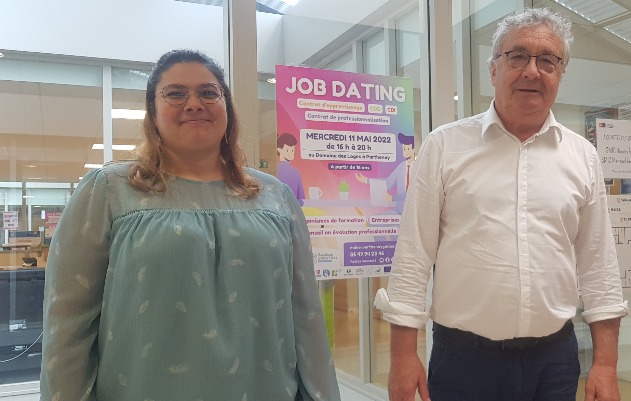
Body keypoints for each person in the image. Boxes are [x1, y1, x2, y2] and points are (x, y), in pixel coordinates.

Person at [40, 49, 340, 401]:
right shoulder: (108, 191)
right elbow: (68, 323)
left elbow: (305, 315)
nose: (194, 104)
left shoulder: (276, 196)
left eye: (209, 93)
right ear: (152, 111)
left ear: (227, 107)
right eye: (176, 93)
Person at [374, 8, 628, 401]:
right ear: (493, 70)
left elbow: (599, 266)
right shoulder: (445, 146)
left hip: (555, 361)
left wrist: (607, 364)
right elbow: (413, 256)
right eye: (518, 56)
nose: (532, 71)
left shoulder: (582, 156)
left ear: (560, 74)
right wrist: (403, 356)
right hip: (463, 362)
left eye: (548, 60)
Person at [355, 132, 415, 213]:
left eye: (408, 149)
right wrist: (366, 180)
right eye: (404, 148)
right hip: (400, 210)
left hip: (414, 211)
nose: (405, 152)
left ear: (414, 149)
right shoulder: (401, 166)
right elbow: (388, 182)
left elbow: (413, 192)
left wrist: (393, 198)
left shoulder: (418, 167)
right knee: (374, 218)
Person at [277, 132, 306, 205]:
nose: (290, 153)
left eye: (292, 150)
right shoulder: (275, 171)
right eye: (287, 150)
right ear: (279, 150)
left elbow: (301, 197)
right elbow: (301, 198)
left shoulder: (295, 172)